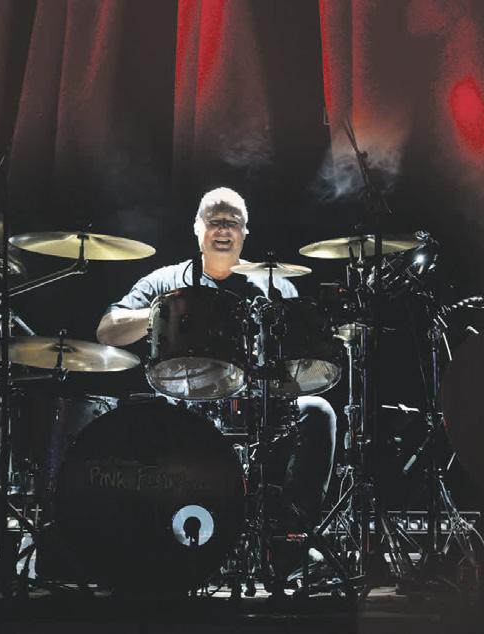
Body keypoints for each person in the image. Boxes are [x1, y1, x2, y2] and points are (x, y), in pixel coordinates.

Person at [96, 187, 337, 588]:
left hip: (258, 407)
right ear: (197, 229)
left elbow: (295, 365)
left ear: (245, 232)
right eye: (215, 220)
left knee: (318, 411)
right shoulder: (166, 281)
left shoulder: (274, 286)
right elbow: (107, 330)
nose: (224, 229)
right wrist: (162, 312)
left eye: (233, 222)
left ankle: (290, 543)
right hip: (182, 408)